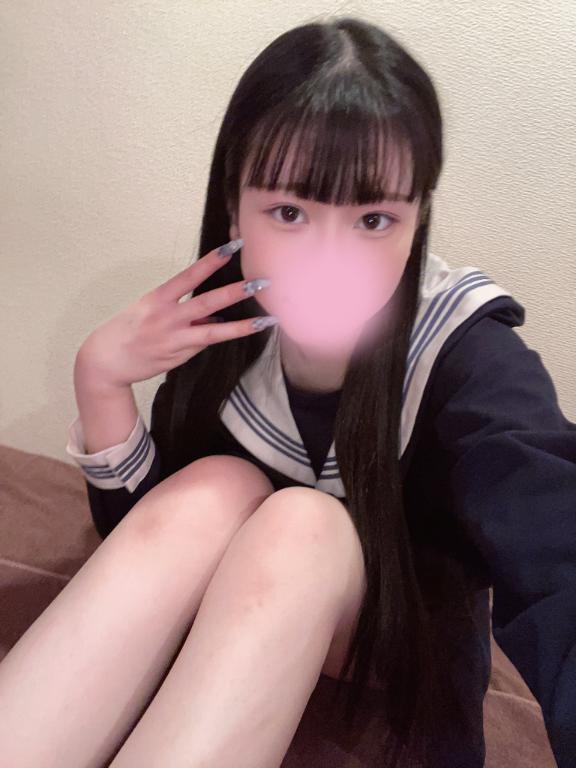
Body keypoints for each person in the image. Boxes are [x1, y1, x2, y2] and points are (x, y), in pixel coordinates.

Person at [0, 15, 574, 768]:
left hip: (396, 646)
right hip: (254, 612)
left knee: (300, 523)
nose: (328, 261)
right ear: (233, 203)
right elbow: (152, 546)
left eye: (374, 218)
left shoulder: (466, 353)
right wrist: (100, 380)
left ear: (418, 218)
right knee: (215, 484)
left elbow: (555, 545)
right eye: (290, 212)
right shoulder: (224, 321)